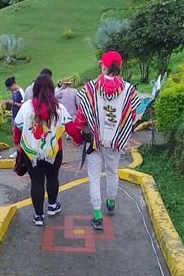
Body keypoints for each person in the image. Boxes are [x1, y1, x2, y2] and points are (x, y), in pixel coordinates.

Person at [74, 51, 140, 230]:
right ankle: (111, 203)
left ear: (104, 66)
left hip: (94, 142)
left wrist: (76, 132)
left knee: (94, 176)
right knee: (112, 172)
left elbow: (81, 114)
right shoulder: (128, 90)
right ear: (119, 67)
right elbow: (132, 115)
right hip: (115, 143)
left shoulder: (90, 87)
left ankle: (97, 215)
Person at [13, 74, 81, 226]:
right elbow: (71, 128)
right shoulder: (59, 107)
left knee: (36, 182)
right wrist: (78, 140)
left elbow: (17, 128)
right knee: (52, 178)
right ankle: (52, 206)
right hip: (53, 152)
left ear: (35, 89)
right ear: (52, 89)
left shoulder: (26, 106)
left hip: (31, 153)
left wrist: (17, 143)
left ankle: (38, 216)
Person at [4, 76, 25, 158]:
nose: (10, 90)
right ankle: (17, 150)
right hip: (14, 115)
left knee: (20, 135)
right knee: (15, 135)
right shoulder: (14, 92)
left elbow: (24, 105)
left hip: (20, 117)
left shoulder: (21, 92)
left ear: (13, 85)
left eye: (10, 88)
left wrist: (14, 103)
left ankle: (20, 151)